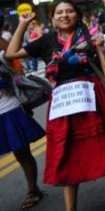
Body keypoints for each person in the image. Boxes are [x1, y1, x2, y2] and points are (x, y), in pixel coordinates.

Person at [6, 1, 105, 211]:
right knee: (67, 150)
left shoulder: (91, 37)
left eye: (69, 11)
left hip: (93, 94)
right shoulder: (46, 41)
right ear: (52, 19)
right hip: (63, 102)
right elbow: (11, 54)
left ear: (78, 16)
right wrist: (23, 24)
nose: (64, 15)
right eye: (59, 12)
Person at [0, 31, 46, 209]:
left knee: (21, 153)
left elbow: (11, 52)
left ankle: (33, 190)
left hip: (8, 108)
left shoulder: (2, 54)